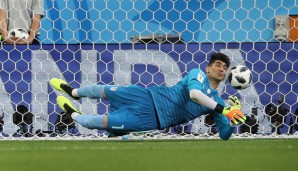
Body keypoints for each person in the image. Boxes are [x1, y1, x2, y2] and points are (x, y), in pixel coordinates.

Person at [50, 53, 246, 140]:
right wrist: (224, 109)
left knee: (94, 122)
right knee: (104, 90)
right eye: (218, 64)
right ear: (208, 68)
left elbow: (224, 136)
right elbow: (195, 94)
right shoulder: (198, 74)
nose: (221, 68)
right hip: (146, 96)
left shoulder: (218, 103)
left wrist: (232, 119)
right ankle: (73, 92)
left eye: (224, 67)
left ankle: (72, 113)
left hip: (150, 120)